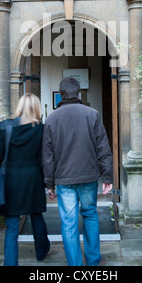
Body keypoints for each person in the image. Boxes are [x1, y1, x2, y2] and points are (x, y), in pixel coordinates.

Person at [42, 77, 113, 267]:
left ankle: (75, 265)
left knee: (69, 222)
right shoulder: (92, 114)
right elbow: (103, 148)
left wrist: (49, 184)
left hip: (64, 180)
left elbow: (47, 156)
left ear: (62, 94)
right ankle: (93, 260)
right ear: (78, 93)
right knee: (90, 214)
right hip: (88, 176)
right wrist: (107, 177)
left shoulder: (51, 119)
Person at [0, 94, 50, 266]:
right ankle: (41, 251)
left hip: (11, 178)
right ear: (37, 108)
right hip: (33, 178)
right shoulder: (41, 129)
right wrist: (47, 181)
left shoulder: (5, 128)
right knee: (37, 216)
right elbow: (43, 159)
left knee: (12, 225)